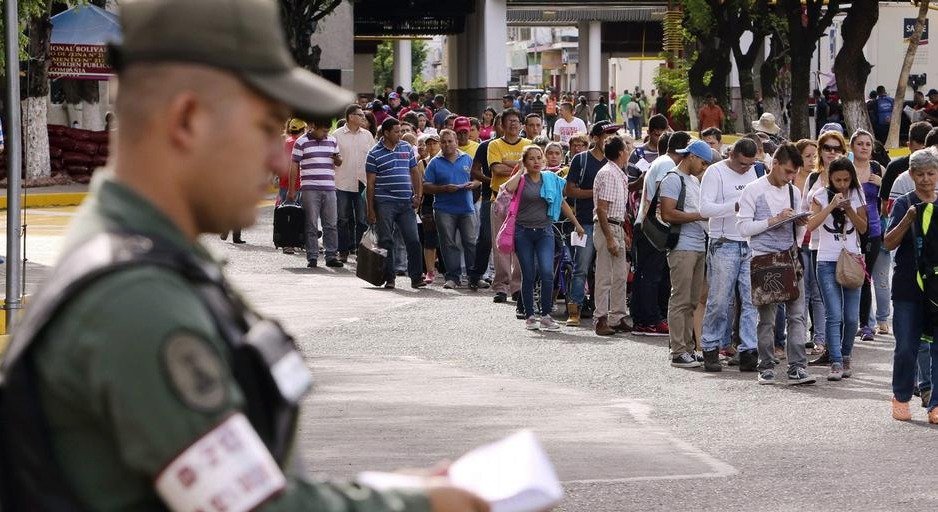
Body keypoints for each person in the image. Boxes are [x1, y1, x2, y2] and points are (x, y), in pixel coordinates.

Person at [0, 0, 489, 510]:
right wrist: (421, 504)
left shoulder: (152, 264)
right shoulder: (137, 299)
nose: (281, 158)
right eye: (264, 128)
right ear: (188, 119)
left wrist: (400, 490)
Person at [737, 143, 817, 385]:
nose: (791, 177)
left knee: (797, 316)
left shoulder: (794, 191)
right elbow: (743, 228)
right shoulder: (753, 190)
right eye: (788, 172)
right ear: (775, 165)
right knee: (767, 319)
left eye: (794, 173)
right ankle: (766, 366)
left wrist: (798, 226)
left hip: (790, 257)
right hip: (763, 259)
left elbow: (800, 226)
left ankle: (797, 367)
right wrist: (774, 220)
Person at [502, 145, 585, 330]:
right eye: (531, 158)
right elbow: (508, 189)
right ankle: (530, 316)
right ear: (524, 162)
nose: (536, 161)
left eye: (539, 158)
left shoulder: (550, 179)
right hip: (523, 232)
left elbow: (561, 202)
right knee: (529, 274)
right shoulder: (521, 180)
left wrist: (577, 224)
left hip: (545, 231)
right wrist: (520, 171)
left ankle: (546, 315)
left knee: (547, 273)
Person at [884, 148, 938, 422]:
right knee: (906, 345)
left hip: (936, 288)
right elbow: (888, 242)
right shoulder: (904, 203)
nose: (926, 180)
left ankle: (935, 404)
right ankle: (901, 396)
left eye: (931, 173)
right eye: (920, 174)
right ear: (911, 175)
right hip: (907, 285)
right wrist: (907, 221)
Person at [698, 138, 760, 372]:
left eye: (750, 164)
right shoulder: (715, 172)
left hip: (749, 242)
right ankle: (711, 346)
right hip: (724, 243)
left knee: (751, 299)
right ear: (732, 155)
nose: (746, 168)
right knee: (720, 300)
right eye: (743, 164)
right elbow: (705, 209)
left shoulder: (755, 171)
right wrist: (736, 205)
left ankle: (748, 349)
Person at [805, 157, 868, 381]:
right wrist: (831, 206)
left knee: (851, 318)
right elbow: (810, 225)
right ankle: (836, 362)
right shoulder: (819, 195)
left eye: (846, 180)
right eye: (837, 180)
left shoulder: (857, 194)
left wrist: (850, 210)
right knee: (834, 315)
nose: (842, 184)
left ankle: (846, 354)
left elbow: (863, 227)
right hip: (826, 260)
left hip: (852, 259)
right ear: (830, 178)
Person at [659, 140, 711, 368]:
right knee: (680, 298)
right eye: (702, 161)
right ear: (690, 156)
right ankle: (678, 350)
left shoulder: (692, 180)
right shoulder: (673, 178)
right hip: (682, 246)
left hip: (699, 245)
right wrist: (698, 216)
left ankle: (687, 347)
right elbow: (668, 213)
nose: (704, 166)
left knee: (691, 300)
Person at [632, 131, 689, 336]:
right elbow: (663, 199)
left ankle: (644, 318)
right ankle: (649, 319)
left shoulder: (662, 161)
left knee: (648, 274)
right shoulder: (667, 165)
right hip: (653, 228)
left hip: (651, 226)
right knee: (651, 276)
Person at [564, 121, 619, 326]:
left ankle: (604, 312)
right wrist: (597, 194)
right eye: (607, 134)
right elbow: (570, 191)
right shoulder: (581, 159)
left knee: (606, 271)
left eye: (614, 134)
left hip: (611, 223)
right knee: (581, 267)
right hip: (586, 221)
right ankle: (574, 309)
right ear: (595, 138)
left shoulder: (615, 160)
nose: (611, 137)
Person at [803, 130, 849, 363]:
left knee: (842, 302)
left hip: (844, 248)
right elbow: (805, 214)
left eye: (836, 148)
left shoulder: (848, 178)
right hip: (816, 246)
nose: (832, 152)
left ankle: (839, 350)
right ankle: (829, 348)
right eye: (827, 148)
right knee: (822, 298)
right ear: (820, 151)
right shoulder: (813, 179)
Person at [366, 117, 427, 289]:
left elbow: (415, 173)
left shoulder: (406, 148)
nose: (400, 134)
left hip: (406, 202)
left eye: (400, 131)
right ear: (386, 133)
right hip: (384, 202)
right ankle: (389, 277)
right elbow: (370, 184)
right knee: (386, 240)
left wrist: (418, 195)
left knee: (413, 240)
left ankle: (416, 277)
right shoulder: (373, 153)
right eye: (396, 131)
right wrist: (370, 209)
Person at [423, 130, 480, 289]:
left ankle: (473, 277)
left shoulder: (467, 158)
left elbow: (477, 178)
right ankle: (453, 277)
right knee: (448, 243)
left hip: (466, 207)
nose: (447, 144)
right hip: (444, 209)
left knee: (470, 242)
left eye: (450, 141)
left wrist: (474, 184)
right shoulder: (435, 162)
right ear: (440, 143)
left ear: (456, 141)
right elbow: (426, 186)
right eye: (444, 141)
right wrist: (443, 189)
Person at [488, 109, 530, 305]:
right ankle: (501, 287)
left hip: (524, 203)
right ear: (502, 125)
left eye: (517, 121)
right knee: (501, 245)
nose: (514, 124)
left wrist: (510, 164)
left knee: (522, 246)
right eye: (510, 121)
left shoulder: (529, 144)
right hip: (501, 201)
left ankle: (518, 287)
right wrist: (521, 166)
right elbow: (496, 168)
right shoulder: (494, 145)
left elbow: (534, 168)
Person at [592, 135, 633, 335]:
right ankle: (600, 318)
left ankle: (617, 316)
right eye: (626, 148)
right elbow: (601, 209)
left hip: (616, 225)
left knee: (619, 276)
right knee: (604, 275)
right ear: (620, 152)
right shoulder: (608, 173)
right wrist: (609, 237)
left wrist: (622, 233)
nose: (628, 151)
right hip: (606, 226)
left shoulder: (619, 174)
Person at [289, 118, 343, 268]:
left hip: (330, 187)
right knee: (311, 224)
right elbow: (294, 165)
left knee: (331, 224)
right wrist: (292, 189)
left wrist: (338, 159)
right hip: (309, 188)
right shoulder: (301, 142)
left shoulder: (332, 140)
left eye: (327, 131)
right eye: (323, 131)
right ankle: (312, 256)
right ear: (313, 127)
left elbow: (338, 161)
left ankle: (331, 255)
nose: (326, 134)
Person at [849, 129, 884, 342]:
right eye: (860, 144)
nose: (864, 147)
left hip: (873, 230)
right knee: (847, 276)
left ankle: (866, 325)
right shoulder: (846, 169)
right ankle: (848, 322)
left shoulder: (878, 169)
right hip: (849, 229)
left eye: (867, 144)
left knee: (865, 277)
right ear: (852, 147)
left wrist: (881, 184)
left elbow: (891, 199)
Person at [332, 104, 376, 262]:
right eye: (360, 115)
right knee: (342, 218)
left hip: (363, 182)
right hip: (342, 182)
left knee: (362, 219)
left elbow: (373, 159)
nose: (363, 118)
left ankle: (360, 251)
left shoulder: (368, 136)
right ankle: (343, 251)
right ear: (351, 117)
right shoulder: (336, 135)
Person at [416, 133, 442, 284]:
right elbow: (420, 185)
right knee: (429, 237)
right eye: (429, 144)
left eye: (434, 143)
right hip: (427, 203)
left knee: (446, 237)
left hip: (445, 201)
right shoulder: (422, 163)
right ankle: (430, 270)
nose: (431, 146)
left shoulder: (444, 161)